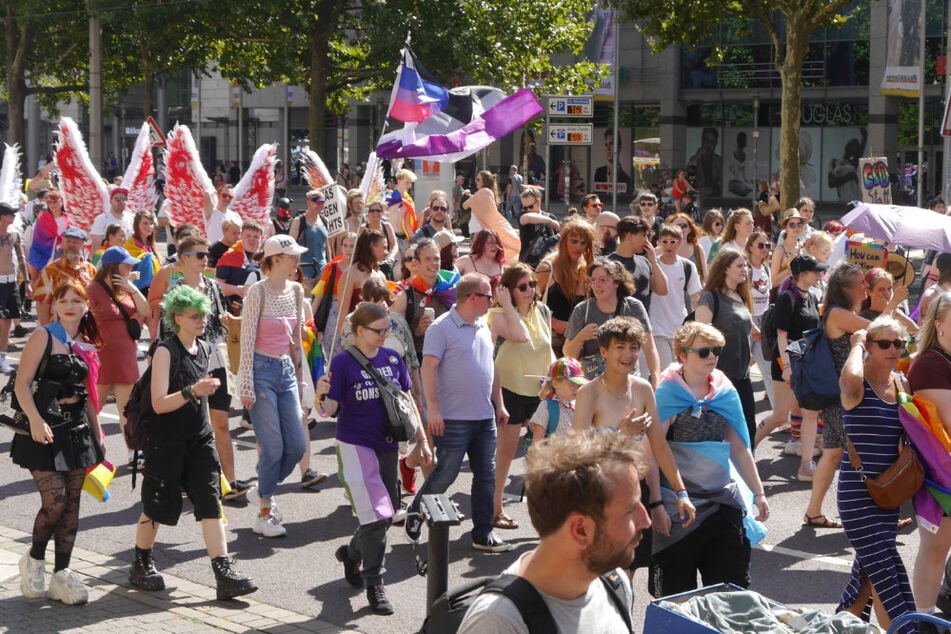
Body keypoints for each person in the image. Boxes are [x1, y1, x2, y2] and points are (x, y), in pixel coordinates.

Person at [128, 285, 257, 601]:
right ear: (177, 318)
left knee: (211, 505)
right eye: (194, 315)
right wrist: (192, 391)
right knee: (157, 508)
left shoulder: (205, 348)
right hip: (166, 443)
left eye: (203, 314)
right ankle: (141, 561)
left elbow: (210, 397)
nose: (201, 320)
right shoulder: (165, 351)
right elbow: (159, 403)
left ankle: (223, 572)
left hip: (199, 442)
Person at [457, 431, 649, 633]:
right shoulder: (499, 622)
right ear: (580, 529)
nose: (646, 521)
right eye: (630, 510)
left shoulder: (615, 584)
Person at [316, 302, 433, 614]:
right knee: (378, 517)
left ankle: (353, 554)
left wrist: (421, 440)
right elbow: (329, 411)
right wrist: (320, 393)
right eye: (378, 330)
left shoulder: (393, 358)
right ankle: (374, 583)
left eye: (387, 329)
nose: (385, 335)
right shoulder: (342, 363)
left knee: (385, 511)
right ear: (358, 331)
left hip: (389, 444)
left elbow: (407, 401)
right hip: (356, 446)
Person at [650, 321, 769, 597]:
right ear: (682, 355)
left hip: (722, 502)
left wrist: (759, 492)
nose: (712, 357)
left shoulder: (725, 390)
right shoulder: (667, 394)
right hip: (679, 508)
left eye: (716, 350)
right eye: (704, 352)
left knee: (733, 591)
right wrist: (656, 505)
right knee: (678, 597)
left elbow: (739, 448)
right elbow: (653, 452)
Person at [573, 317, 697, 579]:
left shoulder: (642, 390)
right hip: (599, 495)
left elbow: (659, 446)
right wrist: (621, 434)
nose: (628, 355)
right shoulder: (589, 394)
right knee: (600, 578)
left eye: (634, 347)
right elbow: (577, 455)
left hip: (633, 492)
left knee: (626, 575)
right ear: (604, 351)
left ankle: (624, 620)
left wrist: (681, 492)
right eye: (620, 348)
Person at [403, 274, 514, 553]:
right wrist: (434, 410)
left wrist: (498, 404)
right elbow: (428, 368)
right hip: (453, 418)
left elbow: (491, 368)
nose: (492, 300)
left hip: (484, 416)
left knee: (485, 474)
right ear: (472, 298)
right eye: (488, 296)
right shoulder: (441, 328)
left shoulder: (483, 326)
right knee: (446, 473)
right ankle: (416, 513)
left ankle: (482, 533)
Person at [13, 280, 104, 606]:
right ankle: (34, 561)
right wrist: (36, 420)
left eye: (76, 301)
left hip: (77, 430)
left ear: (85, 307)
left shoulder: (86, 341)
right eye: (63, 300)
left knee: (72, 505)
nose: (70, 306)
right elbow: (22, 384)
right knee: (56, 499)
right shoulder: (44, 336)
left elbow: (89, 394)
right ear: (54, 306)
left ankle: (62, 575)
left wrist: (97, 432)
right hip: (44, 431)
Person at [803, 263, 906, 530]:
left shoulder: (846, 311)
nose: (865, 287)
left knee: (839, 452)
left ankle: (819, 511)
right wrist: (894, 302)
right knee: (838, 453)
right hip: (843, 393)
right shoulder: (838, 313)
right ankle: (821, 511)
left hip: (846, 393)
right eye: (861, 283)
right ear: (846, 287)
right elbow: (880, 331)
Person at [836, 317, 917, 633]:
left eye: (899, 343)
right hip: (857, 494)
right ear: (869, 346)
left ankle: (839, 626)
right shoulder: (856, 387)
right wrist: (855, 343)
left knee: (868, 576)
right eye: (884, 343)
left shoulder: (901, 383)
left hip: (888, 494)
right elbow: (849, 378)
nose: (894, 349)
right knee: (887, 573)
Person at [163, 235, 252, 498]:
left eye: (206, 255)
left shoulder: (213, 286)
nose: (205, 259)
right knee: (190, 424)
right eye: (199, 255)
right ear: (183, 259)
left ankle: (229, 481)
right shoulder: (175, 291)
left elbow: (218, 323)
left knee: (221, 421)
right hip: (188, 361)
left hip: (215, 357)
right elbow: (168, 331)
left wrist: (227, 320)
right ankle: (182, 478)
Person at [238, 235, 308, 537]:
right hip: (260, 369)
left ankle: (262, 488)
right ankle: (264, 510)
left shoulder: (296, 291)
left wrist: (302, 377)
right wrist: (246, 384)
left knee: (296, 446)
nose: (297, 261)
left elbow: (296, 341)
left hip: (286, 372)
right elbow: (247, 340)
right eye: (292, 256)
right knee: (274, 446)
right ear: (275, 258)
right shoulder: (257, 292)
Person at [487, 263, 555, 530]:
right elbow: (521, 336)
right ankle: (495, 509)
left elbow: (547, 349)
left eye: (533, 285)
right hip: (511, 389)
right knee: (505, 455)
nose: (530, 290)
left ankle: (546, 511)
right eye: (523, 287)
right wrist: (505, 303)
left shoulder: (542, 310)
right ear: (509, 289)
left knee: (544, 454)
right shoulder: (498, 314)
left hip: (540, 390)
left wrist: (558, 380)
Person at [754, 254, 826, 483]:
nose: (819, 275)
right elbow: (781, 336)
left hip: (805, 364)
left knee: (809, 413)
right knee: (779, 416)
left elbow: (812, 333)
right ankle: (746, 447)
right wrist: (787, 366)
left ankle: (806, 465)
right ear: (802, 275)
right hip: (787, 364)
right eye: (816, 271)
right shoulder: (787, 298)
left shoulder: (813, 297)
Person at [908, 292, 951, 620]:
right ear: (938, 325)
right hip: (941, 475)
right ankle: (924, 618)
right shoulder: (930, 364)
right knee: (936, 549)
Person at [87, 247, 150, 465]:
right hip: (101, 357)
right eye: (127, 265)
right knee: (92, 407)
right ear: (113, 267)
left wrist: (133, 288)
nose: (131, 268)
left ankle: (134, 453)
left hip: (125, 358)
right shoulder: (93, 289)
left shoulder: (125, 288)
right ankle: (83, 449)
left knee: (128, 410)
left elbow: (146, 311)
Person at [695, 248, 758, 442]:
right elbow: (699, 337)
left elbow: (750, 331)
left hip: (742, 376)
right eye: (739, 266)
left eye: (745, 265)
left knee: (748, 430)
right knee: (720, 434)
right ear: (725, 269)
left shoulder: (741, 297)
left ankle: (744, 471)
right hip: (719, 377)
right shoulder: (711, 298)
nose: (744, 269)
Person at [565, 258, 660, 383]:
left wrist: (655, 378)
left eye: (602, 280)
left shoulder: (633, 307)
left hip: (628, 380)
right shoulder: (582, 310)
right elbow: (568, 354)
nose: (597, 285)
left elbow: (650, 348)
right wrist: (581, 337)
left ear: (616, 282)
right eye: (593, 280)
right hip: (594, 385)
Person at [535, 219, 595, 357]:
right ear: (564, 242)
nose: (578, 247)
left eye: (583, 242)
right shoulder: (548, 267)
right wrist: (554, 323)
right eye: (574, 241)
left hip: (579, 343)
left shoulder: (589, 267)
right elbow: (529, 303)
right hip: (550, 341)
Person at [649, 225, 702, 369]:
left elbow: (695, 297)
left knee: (680, 369)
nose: (668, 245)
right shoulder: (652, 265)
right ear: (659, 242)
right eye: (665, 241)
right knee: (666, 370)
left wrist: (697, 323)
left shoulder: (688, 266)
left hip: (679, 325)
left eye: (673, 242)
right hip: (656, 326)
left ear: (679, 242)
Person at [331, 230, 388, 353]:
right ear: (371, 247)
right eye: (384, 247)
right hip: (358, 344)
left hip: (381, 341)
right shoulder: (350, 274)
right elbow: (343, 318)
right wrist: (351, 347)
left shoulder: (381, 275)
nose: (386, 252)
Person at [34, 227, 96, 326]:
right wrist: (46, 329)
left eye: (75, 242)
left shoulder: (91, 270)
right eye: (68, 241)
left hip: (85, 326)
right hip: (58, 327)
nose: (71, 245)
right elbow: (42, 302)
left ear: (83, 245)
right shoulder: (51, 270)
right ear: (63, 243)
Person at [608, 216, 669, 313]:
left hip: (641, 326)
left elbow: (662, 290)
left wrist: (654, 262)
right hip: (617, 325)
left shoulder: (645, 262)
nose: (647, 241)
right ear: (630, 236)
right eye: (644, 235)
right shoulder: (607, 265)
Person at [744, 230, 775, 408]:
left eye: (768, 246)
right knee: (740, 368)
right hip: (748, 320)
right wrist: (750, 323)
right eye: (761, 245)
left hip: (763, 319)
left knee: (768, 367)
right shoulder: (745, 269)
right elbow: (741, 299)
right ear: (750, 247)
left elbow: (768, 295)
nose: (765, 249)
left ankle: (780, 413)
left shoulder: (765, 268)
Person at [463, 170, 520, 262]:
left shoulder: (484, 192)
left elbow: (465, 205)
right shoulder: (486, 193)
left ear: (484, 181)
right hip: (480, 231)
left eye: (478, 180)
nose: (476, 182)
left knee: (476, 260)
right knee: (480, 260)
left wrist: (468, 196)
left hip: (479, 232)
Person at [0, 202, 28, 373]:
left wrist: (27, 281)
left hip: (11, 282)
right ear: (2, 216)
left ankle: (2, 358)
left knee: (8, 320)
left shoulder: (14, 235)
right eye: (10, 214)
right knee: (1, 320)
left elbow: (21, 258)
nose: (13, 216)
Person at [216, 220, 265, 314]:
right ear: (241, 236)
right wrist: (239, 290)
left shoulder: (265, 259)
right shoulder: (229, 257)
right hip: (232, 312)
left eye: (256, 236)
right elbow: (217, 287)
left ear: (262, 238)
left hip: (259, 310)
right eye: (248, 236)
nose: (252, 239)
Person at [290, 189, 331, 294]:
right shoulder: (299, 221)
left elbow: (326, 246)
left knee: (320, 306)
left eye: (322, 202)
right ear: (308, 201)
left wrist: (330, 266)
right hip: (305, 272)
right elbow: (291, 248)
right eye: (316, 201)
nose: (319, 205)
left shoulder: (325, 220)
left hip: (322, 271)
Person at [665, 213, 707, 282]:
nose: (681, 229)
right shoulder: (662, 249)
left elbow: (705, 277)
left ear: (689, 229)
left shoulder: (698, 249)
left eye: (684, 226)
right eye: (677, 226)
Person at [363, 198, 399, 276]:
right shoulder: (363, 228)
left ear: (382, 213)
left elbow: (394, 245)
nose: (375, 213)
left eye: (378, 210)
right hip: (368, 266)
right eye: (372, 211)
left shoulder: (387, 226)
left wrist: (390, 257)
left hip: (384, 265)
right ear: (368, 213)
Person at [594, 129, 633, 194]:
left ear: (619, 148)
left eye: (611, 144)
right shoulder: (599, 172)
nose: (608, 149)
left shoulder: (626, 179)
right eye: (606, 145)